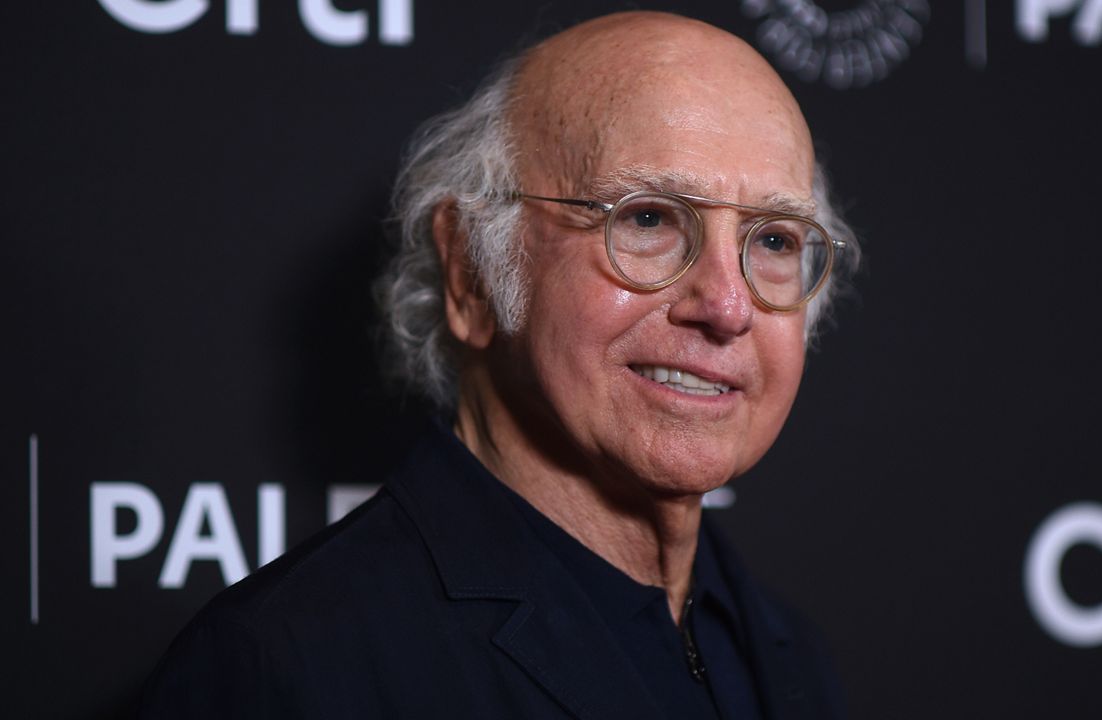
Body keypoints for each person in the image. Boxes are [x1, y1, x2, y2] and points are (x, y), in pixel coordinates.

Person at [140, 10, 858, 719]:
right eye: (647, 219)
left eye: (774, 240)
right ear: (470, 272)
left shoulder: (792, 657)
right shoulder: (289, 670)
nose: (728, 306)